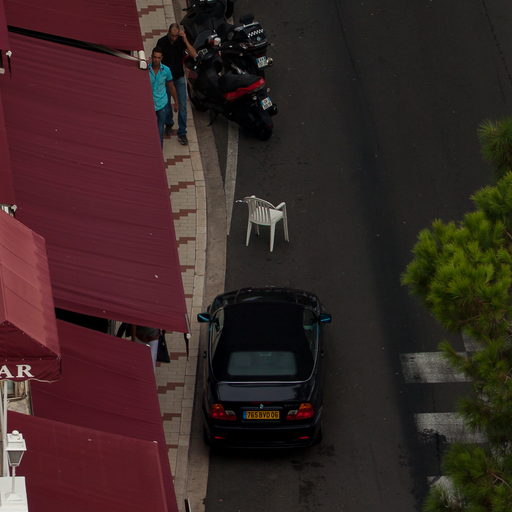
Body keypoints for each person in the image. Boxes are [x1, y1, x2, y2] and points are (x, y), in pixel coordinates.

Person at [157, 23, 198, 146]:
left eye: (176, 36)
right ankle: (169, 123)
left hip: (179, 78)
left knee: (182, 105)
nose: (174, 38)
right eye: (172, 35)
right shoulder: (162, 42)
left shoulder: (181, 41)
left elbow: (194, 55)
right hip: (166, 79)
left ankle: (182, 132)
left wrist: (185, 40)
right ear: (168, 33)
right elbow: (157, 59)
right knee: (166, 104)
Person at [149, 46, 178, 147]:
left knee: (160, 129)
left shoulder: (166, 70)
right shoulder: (145, 69)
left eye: (158, 58)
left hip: (161, 104)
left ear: (161, 58)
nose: (156, 60)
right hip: (149, 104)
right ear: (151, 57)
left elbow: (171, 86)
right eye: (154, 57)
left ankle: (159, 151)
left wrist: (176, 102)